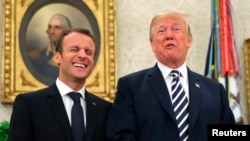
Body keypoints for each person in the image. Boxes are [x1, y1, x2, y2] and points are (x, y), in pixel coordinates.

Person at [106, 10, 235, 141]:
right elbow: (119, 137)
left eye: (176, 29)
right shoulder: (130, 87)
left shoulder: (215, 91)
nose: (169, 35)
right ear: (152, 44)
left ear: (189, 41)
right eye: (161, 31)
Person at [8, 28, 112, 141]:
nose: (82, 55)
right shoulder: (29, 104)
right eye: (74, 49)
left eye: (88, 52)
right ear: (57, 57)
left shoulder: (105, 109)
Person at [28, 13, 73, 85]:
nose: (51, 32)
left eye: (57, 27)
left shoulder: (75, 57)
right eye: (50, 27)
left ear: (67, 32)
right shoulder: (37, 57)